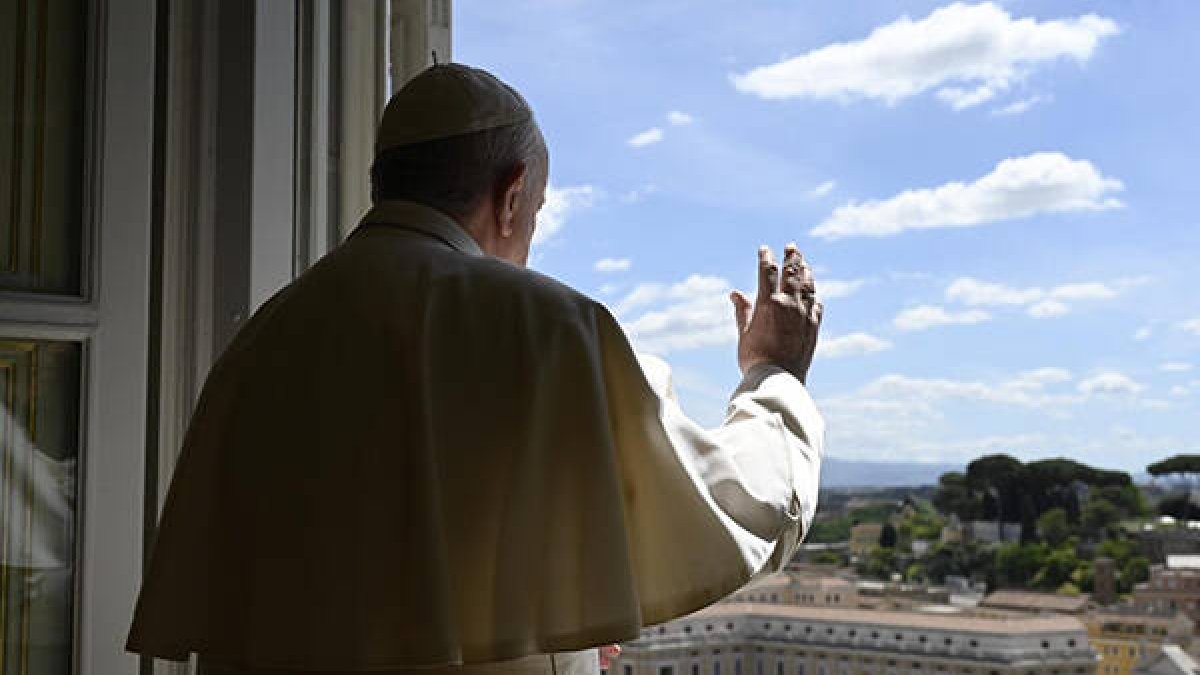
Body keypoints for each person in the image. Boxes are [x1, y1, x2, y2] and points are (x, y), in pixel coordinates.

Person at [126, 64, 825, 675]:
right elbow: (741, 508)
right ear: (513, 194)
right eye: (538, 212)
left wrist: (567, 623)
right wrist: (775, 373)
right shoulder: (546, 329)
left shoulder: (264, 337)